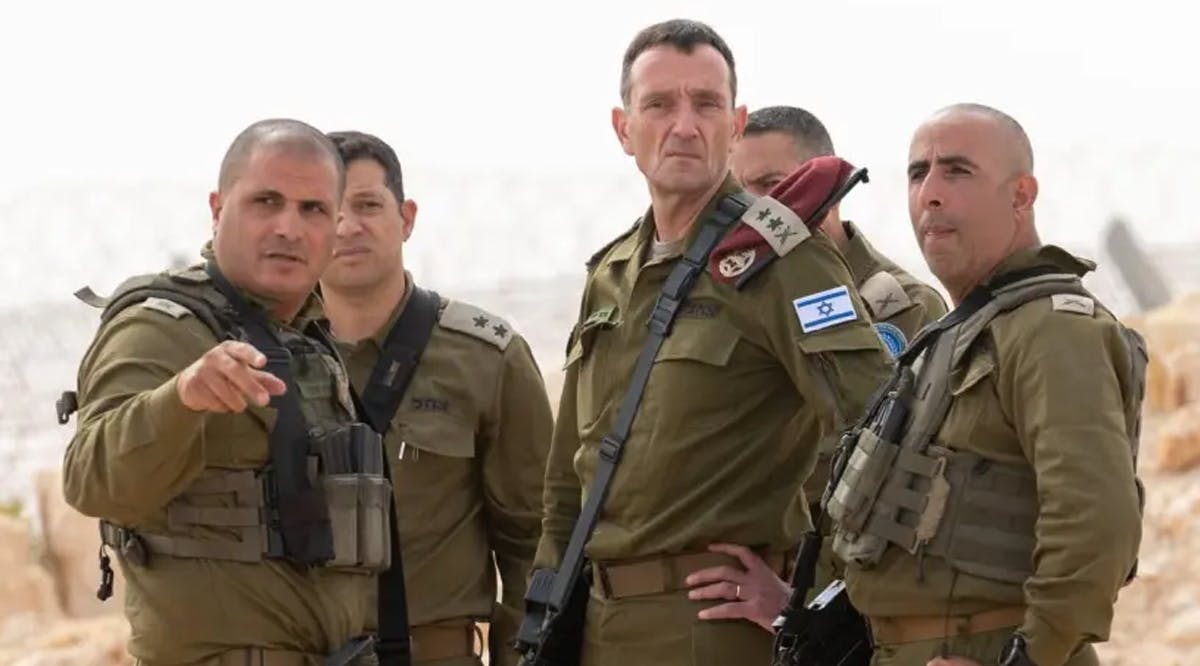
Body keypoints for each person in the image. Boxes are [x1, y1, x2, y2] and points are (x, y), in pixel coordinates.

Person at [526, 18, 893, 666]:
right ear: (623, 128)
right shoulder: (610, 274)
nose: (684, 126)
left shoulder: (782, 259)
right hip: (593, 626)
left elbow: (882, 428)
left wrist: (816, 599)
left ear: (734, 125)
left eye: (706, 104)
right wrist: (542, 616)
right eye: (659, 105)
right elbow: (567, 479)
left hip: (713, 632)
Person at [826, 103, 1145, 666]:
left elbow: (1097, 522)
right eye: (917, 173)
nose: (929, 194)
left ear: (1021, 196)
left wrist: (1033, 655)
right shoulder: (959, 333)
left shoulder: (1052, 329)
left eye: (957, 171)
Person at [58, 118, 385, 666]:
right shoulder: (162, 327)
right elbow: (90, 481)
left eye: (312, 209)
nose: (289, 227)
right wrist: (181, 400)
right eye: (266, 202)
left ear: (334, 228)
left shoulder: (311, 339)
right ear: (217, 208)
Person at [690, 105, 952, 620]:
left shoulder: (901, 309)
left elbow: (901, 486)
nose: (754, 209)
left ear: (827, 188)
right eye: (738, 191)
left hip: (832, 599)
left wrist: (806, 603)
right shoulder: (723, 304)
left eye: (772, 185)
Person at [318, 130, 554, 666]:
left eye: (368, 205)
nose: (348, 227)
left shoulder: (485, 358)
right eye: (329, 210)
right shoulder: (270, 358)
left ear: (407, 218)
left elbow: (534, 541)